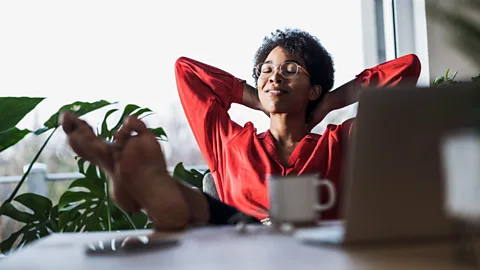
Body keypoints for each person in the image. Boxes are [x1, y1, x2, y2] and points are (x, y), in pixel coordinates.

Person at [61, 28, 421, 231]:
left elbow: (407, 70)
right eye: (265, 70)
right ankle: (151, 186)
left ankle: (160, 191)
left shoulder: (341, 142)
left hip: (319, 259)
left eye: (290, 69)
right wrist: (257, 97)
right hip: (244, 255)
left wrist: (328, 103)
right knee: (234, 225)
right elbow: (186, 70)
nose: (275, 75)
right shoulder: (231, 142)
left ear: (314, 89)